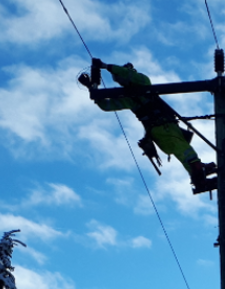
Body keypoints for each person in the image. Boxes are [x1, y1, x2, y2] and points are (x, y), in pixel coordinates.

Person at [79, 60, 217, 194]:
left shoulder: (141, 84)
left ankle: (199, 177)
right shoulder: (131, 95)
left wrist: (103, 73)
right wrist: (96, 82)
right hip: (163, 129)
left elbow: (111, 97)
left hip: (163, 130)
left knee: (184, 152)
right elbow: (107, 103)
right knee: (185, 152)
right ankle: (198, 171)